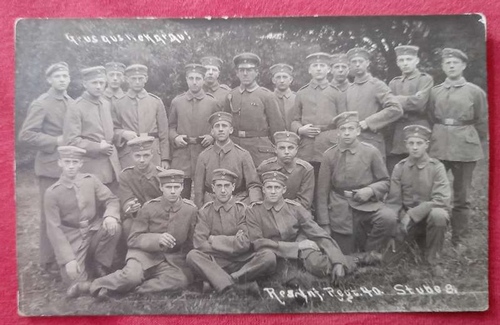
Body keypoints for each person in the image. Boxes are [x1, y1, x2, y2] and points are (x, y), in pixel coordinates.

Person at [86, 169, 197, 299]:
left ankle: (135, 291)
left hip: (169, 260)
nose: (172, 191)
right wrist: (157, 239)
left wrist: (185, 265)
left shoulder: (190, 210)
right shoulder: (148, 208)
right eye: (168, 187)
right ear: (161, 187)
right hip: (142, 255)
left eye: (176, 187)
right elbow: (133, 239)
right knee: (131, 277)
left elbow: (190, 241)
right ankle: (92, 285)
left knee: (180, 280)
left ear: (182, 187)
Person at [428, 48, 488, 250]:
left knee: (462, 195)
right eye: (447, 63)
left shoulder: (475, 91)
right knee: (433, 191)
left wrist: (471, 139)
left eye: (455, 63)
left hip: (465, 147)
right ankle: (431, 236)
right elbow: (431, 117)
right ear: (443, 67)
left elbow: (482, 121)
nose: (451, 66)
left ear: (463, 65)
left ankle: (459, 239)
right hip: (438, 146)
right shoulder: (435, 91)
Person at [18, 62, 73, 275]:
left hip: (70, 166)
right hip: (50, 167)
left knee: (68, 212)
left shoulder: (71, 102)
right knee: (50, 215)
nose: (62, 79)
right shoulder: (41, 103)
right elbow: (26, 135)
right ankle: (48, 262)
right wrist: (55, 140)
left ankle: (66, 258)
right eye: (57, 76)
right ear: (49, 80)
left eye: (65, 75)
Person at [44, 146, 121, 297]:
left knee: (114, 227)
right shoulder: (52, 192)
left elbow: (111, 199)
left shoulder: (90, 180)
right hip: (72, 236)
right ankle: (100, 284)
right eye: (67, 162)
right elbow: (54, 229)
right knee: (74, 279)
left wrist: (110, 215)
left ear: (81, 164)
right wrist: (68, 259)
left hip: (94, 229)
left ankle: (101, 264)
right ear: (60, 163)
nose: (71, 166)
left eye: (75, 162)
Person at [246, 171, 350, 283]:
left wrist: (338, 261)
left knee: (318, 265)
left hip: (300, 251)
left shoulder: (295, 208)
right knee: (283, 277)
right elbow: (258, 242)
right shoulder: (254, 211)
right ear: (263, 190)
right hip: (273, 254)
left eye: (277, 188)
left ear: (284, 190)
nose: (273, 191)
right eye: (269, 187)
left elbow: (318, 233)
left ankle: (351, 261)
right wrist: (297, 246)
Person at [316, 111, 396, 255]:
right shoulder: (329, 155)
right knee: (345, 253)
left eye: (351, 129)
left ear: (358, 131)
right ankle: (356, 254)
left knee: (388, 217)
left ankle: (369, 253)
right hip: (340, 207)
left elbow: (385, 181)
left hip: (366, 204)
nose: (347, 133)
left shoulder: (371, 152)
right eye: (343, 129)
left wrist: (371, 190)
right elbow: (322, 193)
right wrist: (324, 223)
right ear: (338, 132)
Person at [186, 169, 275, 294]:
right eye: (219, 186)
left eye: (227, 185)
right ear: (213, 188)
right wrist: (233, 242)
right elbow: (200, 243)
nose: (223, 190)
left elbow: (245, 243)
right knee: (192, 256)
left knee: (268, 256)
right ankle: (240, 285)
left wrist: (214, 240)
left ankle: (221, 281)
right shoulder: (205, 211)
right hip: (215, 261)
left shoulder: (243, 210)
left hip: (241, 261)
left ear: (233, 187)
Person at [385, 125, 451, 275]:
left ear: (427, 145)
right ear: (406, 144)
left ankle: (434, 260)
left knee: (439, 215)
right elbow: (394, 201)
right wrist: (399, 220)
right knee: (388, 262)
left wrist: (412, 214)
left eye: (419, 143)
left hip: (429, 217)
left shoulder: (437, 167)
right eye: (411, 143)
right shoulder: (399, 167)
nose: (415, 147)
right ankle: (414, 244)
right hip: (406, 220)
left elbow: (442, 199)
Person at [63, 66, 121, 192]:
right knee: (92, 208)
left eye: (101, 82)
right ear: (85, 84)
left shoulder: (105, 103)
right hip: (91, 167)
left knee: (113, 205)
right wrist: (98, 147)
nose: (99, 86)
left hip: (112, 165)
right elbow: (71, 141)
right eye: (94, 83)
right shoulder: (76, 107)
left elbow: (109, 133)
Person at [224, 52, 285, 166]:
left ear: (256, 72)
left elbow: (277, 128)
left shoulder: (266, 95)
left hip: (259, 149)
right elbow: (224, 122)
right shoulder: (231, 95)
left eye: (250, 70)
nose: (245, 74)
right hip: (234, 146)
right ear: (237, 73)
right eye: (241, 70)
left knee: (259, 180)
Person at [290, 52, 344, 179]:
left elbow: (343, 121)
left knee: (328, 180)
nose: (318, 68)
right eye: (315, 65)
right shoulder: (302, 93)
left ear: (328, 69)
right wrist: (300, 129)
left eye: (322, 65)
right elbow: (294, 120)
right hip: (307, 146)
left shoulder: (336, 93)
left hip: (329, 145)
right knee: (308, 179)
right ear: (309, 70)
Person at [169, 63, 219, 199]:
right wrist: (175, 138)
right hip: (182, 154)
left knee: (204, 193)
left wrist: (212, 137)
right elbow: (170, 127)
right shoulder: (177, 102)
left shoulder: (212, 102)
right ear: (186, 79)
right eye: (191, 78)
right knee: (181, 192)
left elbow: (218, 126)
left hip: (204, 151)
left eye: (198, 78)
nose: (195, 82)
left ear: (203, 80)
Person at [194, 111, 262, 208]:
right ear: (212, 132)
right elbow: (198, 188)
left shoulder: (243, 154)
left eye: (224, 126)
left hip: (237, 202)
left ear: (231, 130)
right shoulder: (204, 156)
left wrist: (254, 206)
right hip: (211, 204)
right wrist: (200, 211)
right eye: (217, 126)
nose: (221, 129)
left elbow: (253, 185)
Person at [345, 47, 403, 158]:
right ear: (350, 65)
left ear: (367, 63)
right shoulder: (349, 89)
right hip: (352, 143)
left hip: (372, 141)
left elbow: (396, 108)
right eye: (354, 62)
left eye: (360, 61)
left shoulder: (377, 85)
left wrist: (369, 122)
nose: (357, 65)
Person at [111, 64, 170, 169]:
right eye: (133, 79)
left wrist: (165, 158)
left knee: (153, 182)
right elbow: (112, 130)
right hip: (128, 153)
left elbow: (164, 133)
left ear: (146, 79)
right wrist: (123, 133)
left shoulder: (155, 101)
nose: (137, 82)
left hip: (152, 152)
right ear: (127, 79)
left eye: (140, 78)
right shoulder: (118, 103)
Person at [387, 45, 434, 173]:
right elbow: (389, 106)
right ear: (397, 63)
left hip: (418, 127)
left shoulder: (425, 79)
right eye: (401, 60)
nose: (405, 63)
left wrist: (397, 99)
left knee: (419, 170)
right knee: (398, 171)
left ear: (416, 60)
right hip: (399, 131)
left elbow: (419, 104)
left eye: (409, 59)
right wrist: (409, 99)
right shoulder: (394, 83)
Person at [118, 136, 163, 238]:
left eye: (146, 155)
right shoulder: (126, 175)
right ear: (131, 156)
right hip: (137, 216)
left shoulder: (161, 175)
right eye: (137, 156)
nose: (142, 160)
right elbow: (126, 198)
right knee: (127, 225)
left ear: (152, 154)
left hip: (159, 216)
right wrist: (130, 206)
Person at [257, 131, 314, 210]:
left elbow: (305, 202)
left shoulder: (305, 169)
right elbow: (258, 192)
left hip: (296, 213)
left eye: (290, 148)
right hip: (268, 212)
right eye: (282, 148)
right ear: (275, 149)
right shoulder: (265, 167)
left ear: (296, 149)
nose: (286, 152)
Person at [269, 63, 296, 130]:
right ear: (273, 80)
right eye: (278, 77)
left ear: (290, 80)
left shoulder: (297, 98)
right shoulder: (268, 98)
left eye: (285, 77)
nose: (282, 81)